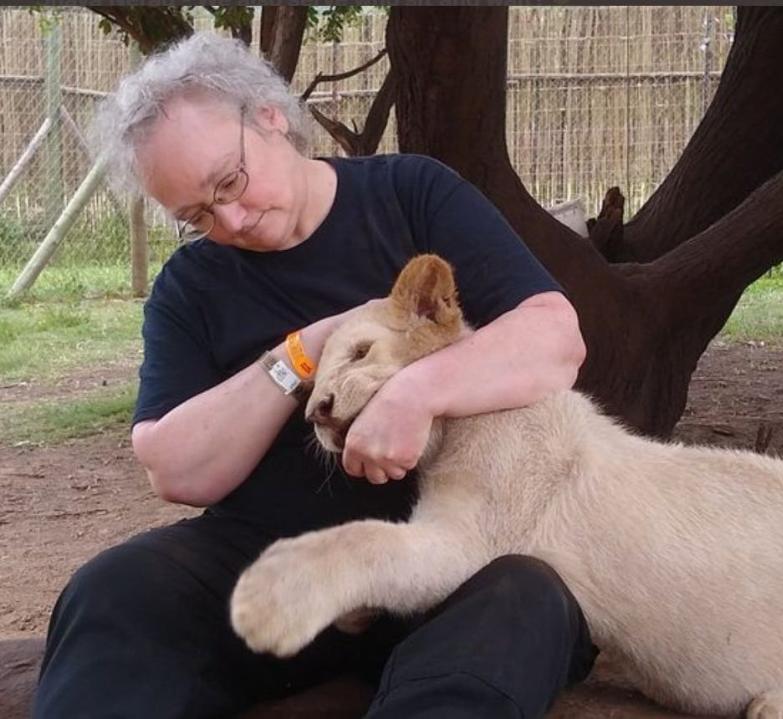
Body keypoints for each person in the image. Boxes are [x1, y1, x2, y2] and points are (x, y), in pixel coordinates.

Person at [33, 31, 597, 719]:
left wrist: (418, 393)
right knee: (114, 588)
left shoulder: (412, 194)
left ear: (270, 114)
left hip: (459, 554)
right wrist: (303, 352)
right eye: (198, 216)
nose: (232, 219)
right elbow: (175, 468)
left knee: (528, 594)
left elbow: (554, 338)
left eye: (229, 183)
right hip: (281, 566)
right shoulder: (191, 285)